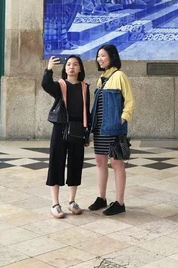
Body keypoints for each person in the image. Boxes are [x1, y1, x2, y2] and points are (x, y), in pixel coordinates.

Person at [42, 55, 90, 219]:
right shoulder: (60, 85)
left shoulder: (84, 87)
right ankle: (55, 204)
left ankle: (72, 201)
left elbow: (86, 112)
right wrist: (48, 69)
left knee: (76, 164)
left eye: (75, 64)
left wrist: (86, 133)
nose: (71, 67)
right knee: (56, 163)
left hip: (77, 130)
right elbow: (46, 85)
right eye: (69, 64)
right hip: (60, 128)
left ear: (80, 69)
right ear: (65, 69)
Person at [89, 44, 134, 216]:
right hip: (100, 128)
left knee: (117, 163)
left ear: (112, 57)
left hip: (114, 128)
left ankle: (120, 202)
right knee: (100, 162)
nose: (99, 59)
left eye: (103, 55)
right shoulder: (101, 79)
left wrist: (123, 118)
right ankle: (101, 198)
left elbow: (129, 100)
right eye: (98, 56)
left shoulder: (120, 76)